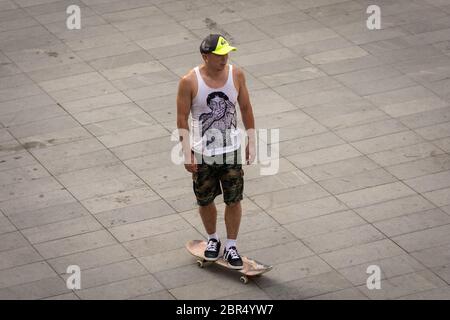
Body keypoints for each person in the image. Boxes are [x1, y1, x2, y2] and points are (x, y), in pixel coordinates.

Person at [176, 34, 256, 269]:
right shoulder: (189, 81)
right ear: (205, 56)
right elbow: (181, 118)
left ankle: (231, 245)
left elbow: (245, 107)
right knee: (205, 199)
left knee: (234, 199)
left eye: (226, 54)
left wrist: (251, 140)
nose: (225, 58)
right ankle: (213, 239)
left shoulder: (236, 75)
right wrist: (186, 152)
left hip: (231, 151)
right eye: (219, 55)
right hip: (202, 153)